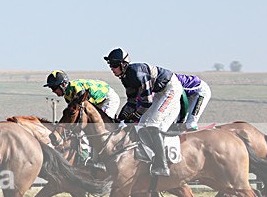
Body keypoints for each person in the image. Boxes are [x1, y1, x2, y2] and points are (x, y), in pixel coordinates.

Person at [104, 48, 184, 177]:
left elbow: (146, 101)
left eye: (114, 65)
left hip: (171, 89)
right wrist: (120, 118)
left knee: (152, 124)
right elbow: (132, 102)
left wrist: (134, 116)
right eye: (110, 66)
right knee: (141, 124)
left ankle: (162, 165)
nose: (112, 68)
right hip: (159, 92)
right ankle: (150, 156)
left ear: (123, 64)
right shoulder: (125, 77)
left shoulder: (137, 73)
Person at [44, 70, 121, 119]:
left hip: (107, 98)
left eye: (54, 88)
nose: (53, 91)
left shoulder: (77, 88)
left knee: (102, 123)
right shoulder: (67, 96)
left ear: (63, 84)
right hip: (97, 103)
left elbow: (86, 109)